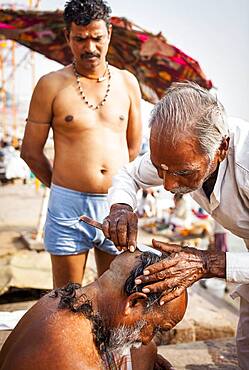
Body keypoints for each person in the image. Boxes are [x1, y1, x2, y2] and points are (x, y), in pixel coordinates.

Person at [103, 82, 249, 368]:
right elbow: (128, 175)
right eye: (160, 170)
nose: (169, 185)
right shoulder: (177, 153)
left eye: (183, 173)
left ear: (221, 149)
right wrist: (120, 206)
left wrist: (208, 264)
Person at [20, 0, 142, 288]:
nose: (90, 47)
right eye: (80, 38)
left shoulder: (127, 83)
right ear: (68, 37)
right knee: (66, 302)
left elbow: (133, 150)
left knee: (117, 299)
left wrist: (119, 194)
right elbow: (30, 152)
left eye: (97, 38)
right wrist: (63, 187)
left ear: (109, 34)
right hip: (68, 206)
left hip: (118, 206)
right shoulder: (50, 85)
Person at [0, 250, 187, 370]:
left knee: (143, 352)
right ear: (134, 302)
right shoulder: (73, 361)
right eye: (153, 327)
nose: (146, 338)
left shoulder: (59, 299)